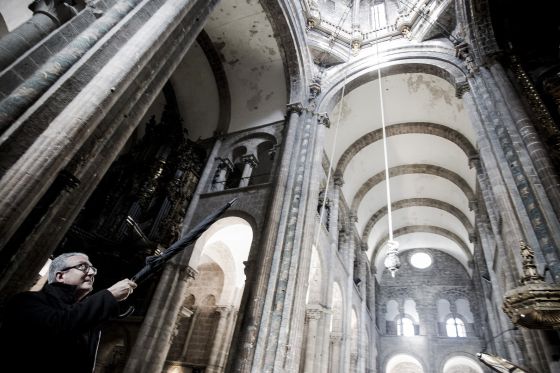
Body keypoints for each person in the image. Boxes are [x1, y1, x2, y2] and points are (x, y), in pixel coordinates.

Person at [0, 252, 137, 373]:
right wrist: (109, 295)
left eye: (92, 269)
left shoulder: (86, 318)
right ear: (60, 276)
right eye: (82, 267)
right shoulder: (25, 301)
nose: (91, 273)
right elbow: (58, 325)